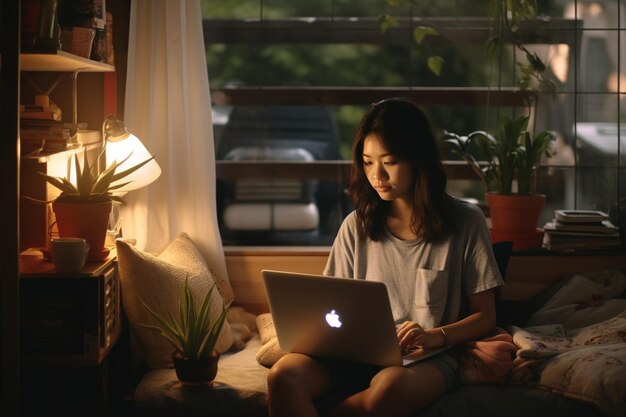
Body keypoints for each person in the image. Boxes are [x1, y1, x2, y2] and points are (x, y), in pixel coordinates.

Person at [266, 98, 504, 417]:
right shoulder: (356, 226)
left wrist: (435, 336)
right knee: (283, 376)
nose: (376, 175)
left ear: (416, 159)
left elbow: (486, 316)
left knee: (388, 391)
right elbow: (328, 307)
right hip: (353, 353)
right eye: (367, 162)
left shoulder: (466, 222)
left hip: (430, 356)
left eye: (389, 161)